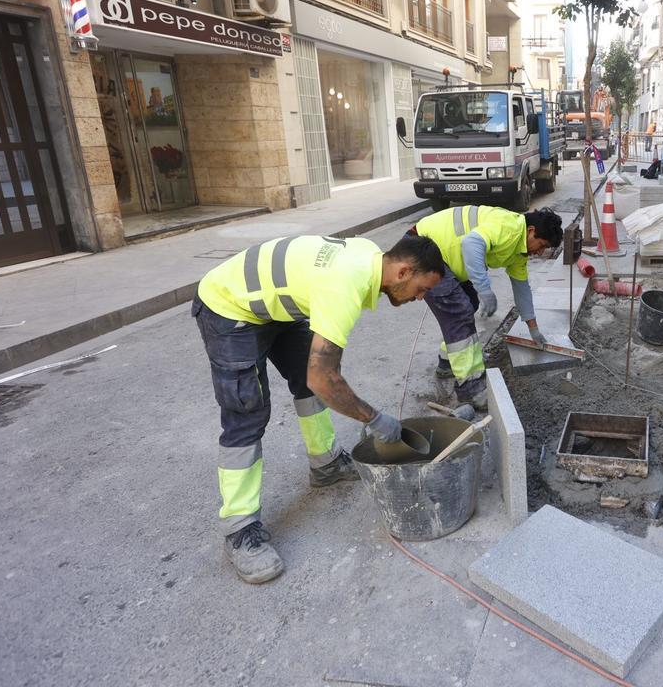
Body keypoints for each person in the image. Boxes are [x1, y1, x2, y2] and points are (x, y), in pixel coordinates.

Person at [193, 233, 445, 584]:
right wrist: (374, 419)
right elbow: (325, 379)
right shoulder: (346, 284)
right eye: (422, 289)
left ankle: (325, 463)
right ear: (403, 272)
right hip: (229, 306)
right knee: (246, 414)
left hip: (278, 308)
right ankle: (239, 529)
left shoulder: (371, 257)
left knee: (304, 379)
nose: (421, 298)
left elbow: (315, 380)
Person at [413, 206, 564, 408]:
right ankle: (470, 390)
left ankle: (446, 362)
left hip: (443, 256)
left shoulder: (520, 252)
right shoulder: (509, 228)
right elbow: (471, 243)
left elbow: (522, 290)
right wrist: (484, 288)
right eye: (541, 244)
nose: (540, 252)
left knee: (470, 303)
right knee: (459, 313)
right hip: (422, 248)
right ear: (531, 231)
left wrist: (533, 329)